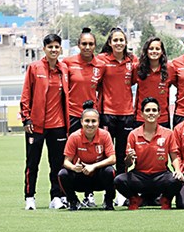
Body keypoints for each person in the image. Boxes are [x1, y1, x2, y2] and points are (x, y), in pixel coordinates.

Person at [20, 33, 69, 211]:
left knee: (57, 164)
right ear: (44, 49)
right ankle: (29, 197)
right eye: (50, 47)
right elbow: (26, 94)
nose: (54, 50)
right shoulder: (34, 68)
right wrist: (26, 118)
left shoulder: (64, 69)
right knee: (32, 163)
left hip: (58, 125)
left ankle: (56, 196)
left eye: (57, 47)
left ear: (60, 49)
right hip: (36, 125)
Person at [114, 97, 182, 210]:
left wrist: (178, 171)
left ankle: (165, 200)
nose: (151, 113)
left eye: (154, 110)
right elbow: (127, 164)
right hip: (140, 176)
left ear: (159, 113)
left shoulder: (168, 133)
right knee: (119, 180)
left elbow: (174, 156)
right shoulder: (133, 134)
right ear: (142, 114)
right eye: (148, 110)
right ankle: (135, 199)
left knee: (178, 180)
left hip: (161, 176)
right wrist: (129, 158)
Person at [65, 27, 103, 207]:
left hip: (91, 117)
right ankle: (67, 195)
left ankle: (90, 195)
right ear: (78, 45)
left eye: (91, 44)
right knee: (74, 157)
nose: (87, 47)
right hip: (73, 115)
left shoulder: (100, 65)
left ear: (95, 46)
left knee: (92, 156)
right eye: (84, 44)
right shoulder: (68, 63)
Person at [57, 100, 116, 211]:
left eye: (93, 121)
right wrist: (74, 167)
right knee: (62, 174)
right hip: (80, 177)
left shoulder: (105, 135)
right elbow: (66, 161)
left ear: (98, 122)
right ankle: (73, 201)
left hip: (98, 177)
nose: (90, 124)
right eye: (87, 121)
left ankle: (108, 201)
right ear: (81, 122)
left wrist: (93, 166)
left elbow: (112, 158)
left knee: (110, 171)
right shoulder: (74, 137)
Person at [98, 27, 138, 178]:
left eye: (121, 40)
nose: (118, 43)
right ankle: (106, 190)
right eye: (115, 40)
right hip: (107, 114)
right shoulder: (102, 59)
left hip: (127, 114)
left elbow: (134, 80)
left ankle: (122, 189)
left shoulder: (132, 60)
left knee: (122, 154)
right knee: (105, 154)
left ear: (126, 42)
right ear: (110, 42)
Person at [135, 37, 172, 129]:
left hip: (162, 118)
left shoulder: (170, 69)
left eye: (157, 49)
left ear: (162, 51)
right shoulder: (137, 68)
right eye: (151, 49)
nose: (154, 51)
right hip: (141, 118)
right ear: (146, 51)